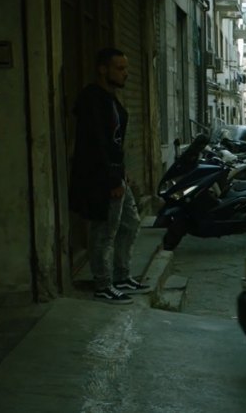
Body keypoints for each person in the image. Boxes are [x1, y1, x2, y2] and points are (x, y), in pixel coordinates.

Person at [69, 47, 152, 304]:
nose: (125, 73)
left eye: (126, 68)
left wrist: (122, 172)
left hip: (116, 174)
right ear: (103, 69)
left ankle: (121, 275)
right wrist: (112, 179)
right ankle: (103, 284)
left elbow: (114, 143)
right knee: (104, 232)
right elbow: (96, 145)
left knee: (130, 222)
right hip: (101, 179)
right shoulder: (91, 99)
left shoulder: (111, 99)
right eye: (120, 68)